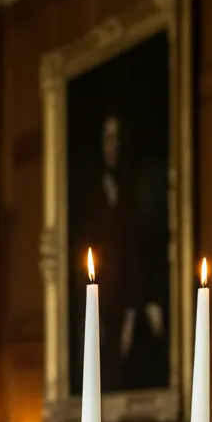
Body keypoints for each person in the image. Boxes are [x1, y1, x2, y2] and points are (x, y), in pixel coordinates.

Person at [73, 114, 166, 393]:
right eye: (109, 139)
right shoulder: (92, 196)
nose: (114, 146)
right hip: (102, 307)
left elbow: (136, 250)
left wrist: (135, 308)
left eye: (118, 139)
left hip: (128, 303)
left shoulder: (134, 190)